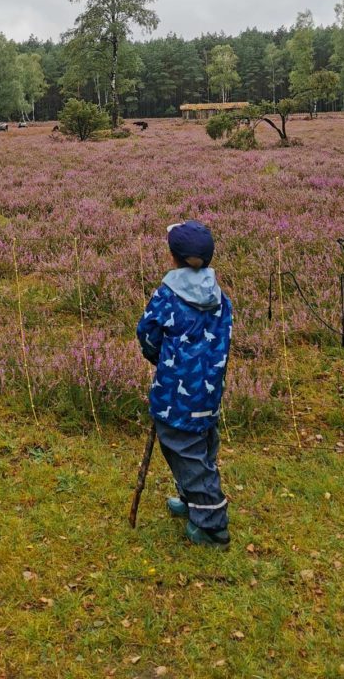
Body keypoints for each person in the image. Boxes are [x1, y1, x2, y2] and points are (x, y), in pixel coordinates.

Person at [136, 221, 233, 547]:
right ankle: (192, 501)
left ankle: (212, 526)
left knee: (185, 453)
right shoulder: (220, 298)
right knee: (201, 446)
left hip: (175, 397)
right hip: (207, 393)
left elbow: (147, 335)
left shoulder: (166, 296)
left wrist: (160, 359)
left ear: (172, 257)